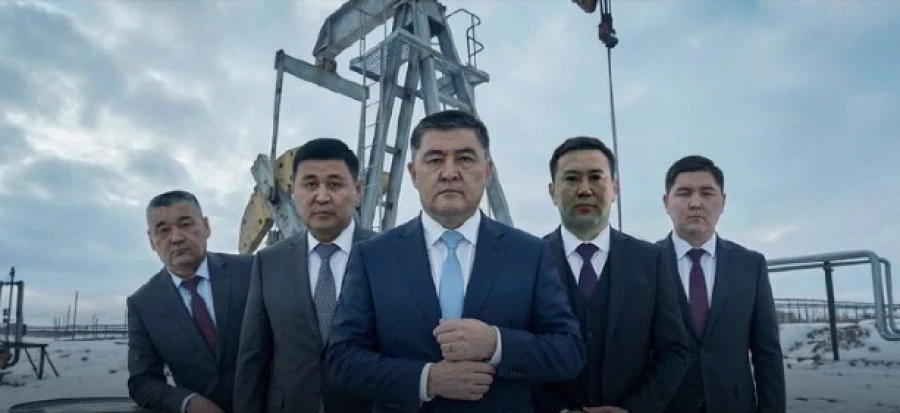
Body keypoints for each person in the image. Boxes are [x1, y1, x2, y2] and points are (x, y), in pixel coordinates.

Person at [324, 109, 585, 412]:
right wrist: (427, 380)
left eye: (465, 159)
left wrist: (497, 344)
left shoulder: (530, 254)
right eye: (435, 160)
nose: (449, 173)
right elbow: (342, 358)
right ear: (413, 174)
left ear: (487, 171)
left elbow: (569, 352)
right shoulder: (372, 256)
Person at [532, 136, 691, 413]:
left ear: (615, 189)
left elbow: (674, 351)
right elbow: (517, 356)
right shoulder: (528, 261)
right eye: (571, 179)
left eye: (596, 177)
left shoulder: (651, 261)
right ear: (552, 191)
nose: (584, 190)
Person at [233, 138, 375, 413]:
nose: (322, 196)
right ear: (293, 192)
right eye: (310, 184)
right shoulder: (268, 262)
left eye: (334, 184)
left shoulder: (386, 255)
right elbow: (253, 357)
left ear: (357, 190)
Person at [656, 155, 785, 413]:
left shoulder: (750, 265)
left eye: (707, 193)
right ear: (666, 202)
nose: (696, 203)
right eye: (684, 193)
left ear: (723, 202)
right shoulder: (643, 264)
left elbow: (767, 353)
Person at [127, 190, 253, 413]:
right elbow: (142, 381)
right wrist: (188, 402)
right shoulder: (143, 304)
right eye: (163, 230)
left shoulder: (251, 271)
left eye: (185, 224)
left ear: (206, 227)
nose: (176, 238)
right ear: (151, 241)